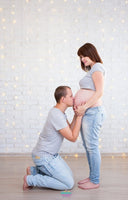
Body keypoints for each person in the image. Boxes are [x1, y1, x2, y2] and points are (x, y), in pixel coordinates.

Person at [23, 86, 83, 191]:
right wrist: (80, 117)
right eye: (71, 96)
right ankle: (30, 180)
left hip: (51, 155)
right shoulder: (57, 115)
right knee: (68, 184)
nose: (73, 98)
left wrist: (75, 116)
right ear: (63, 99)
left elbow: (70, 129)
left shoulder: (59, 113)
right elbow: (73, 137)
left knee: (69, 175)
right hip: (44, 157)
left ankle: (34, 171)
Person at [74, 43, 106, 190]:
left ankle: (95, 180)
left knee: (92, 147)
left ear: (91, 53)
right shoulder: (92, 70)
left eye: (84, 55)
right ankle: (92, 176)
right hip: (87, 113)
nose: (82, 59)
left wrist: (84, 107)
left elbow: (99, 92)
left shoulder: (98, 67)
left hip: (92, 112)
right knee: (88, 147)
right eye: (80, 57)